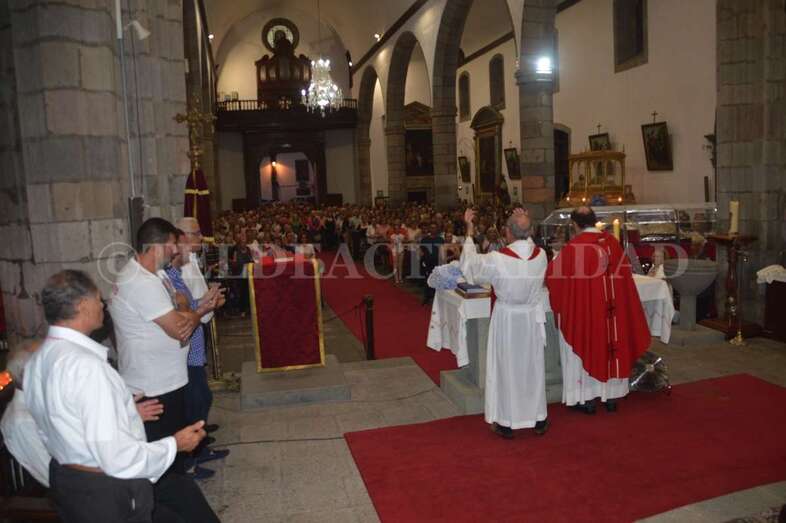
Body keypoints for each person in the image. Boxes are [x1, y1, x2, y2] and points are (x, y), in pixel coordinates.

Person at [24, 270, 210, 523]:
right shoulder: (87, 367)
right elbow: (117, 458)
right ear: (82, 305)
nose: (102, 304)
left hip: (67, 479)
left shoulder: (39, 359)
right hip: (104, 487)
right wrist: (175, 444)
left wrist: (123, 413)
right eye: (97, 299)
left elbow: (62, 420)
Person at [109, 217, 201, 474]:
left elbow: (179, 311)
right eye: (172, 244)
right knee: (165, 456)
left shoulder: (154, 274)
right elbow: (180, 330)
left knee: (173, 449)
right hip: (155, 385)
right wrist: (194, 311)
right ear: (156, 246)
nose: (175, 250)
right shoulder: (141, 282)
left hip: (164, 378)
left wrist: (185, 311)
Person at [545, 206, 651, 413]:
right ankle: (610, 397)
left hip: (588, 316)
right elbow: (626, 281)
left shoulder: (574, 247)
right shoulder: (613, 244)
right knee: (612, 346)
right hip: (613, 317)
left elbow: (552, 278)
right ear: (594, 221)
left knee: (587, 345)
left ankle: (586, 399)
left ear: (574, 224)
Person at [460, 207, 549, 439]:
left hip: (508, 319)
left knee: (506, 368)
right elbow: (527, 243)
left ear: (507, 232)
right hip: (530, 318)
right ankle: (538, 417)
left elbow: (470, 268)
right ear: (531, 232)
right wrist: (524, 219)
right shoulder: (541, 255)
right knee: (532, 367)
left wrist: (469, 232)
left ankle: (506, 421)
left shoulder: (498, 259)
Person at [164, 229, 228, 480]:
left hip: (194, 349)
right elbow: (182, 313)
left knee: (201, 399)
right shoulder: (168, 278)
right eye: (178, 245)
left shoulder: (176, 274)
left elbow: (188, 305)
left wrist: (205, 301)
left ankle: (199, 449)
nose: (185, 250)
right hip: (185, 353)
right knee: (196, 401)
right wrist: (202, 306)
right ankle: (191, 457)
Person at [419, 222, 445, 304]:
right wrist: (422, 261)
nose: (433, 229)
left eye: (435, 228)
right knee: (427, 279)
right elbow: (421, 251)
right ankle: (427, 296)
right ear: (429, 229)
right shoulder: (424, 239)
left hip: (438, 263)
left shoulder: (440, 240)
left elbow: (442, 251)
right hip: (427, 262)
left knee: (437, 279)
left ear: (437, 229)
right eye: (432, 227)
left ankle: (436, 297)